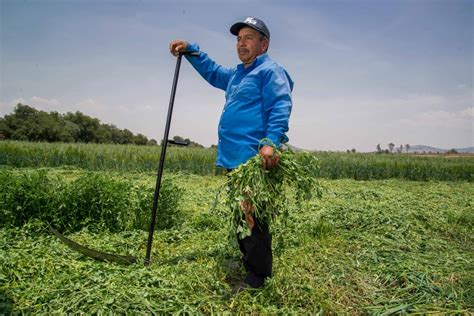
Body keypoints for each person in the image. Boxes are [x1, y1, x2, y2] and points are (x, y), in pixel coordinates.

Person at [169, 17, 294, 290]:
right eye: (239, 39)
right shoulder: (238, 74)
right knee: (241, 214)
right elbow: (213, 72)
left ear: (264, 43)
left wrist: (271, 141)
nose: (241, 43)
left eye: (249, 37)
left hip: (253, 157)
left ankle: (257, 277)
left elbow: (281, 105)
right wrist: (192, 51)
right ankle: (248, 261)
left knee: (252, 215)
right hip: (233, 156)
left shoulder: (270, 71)